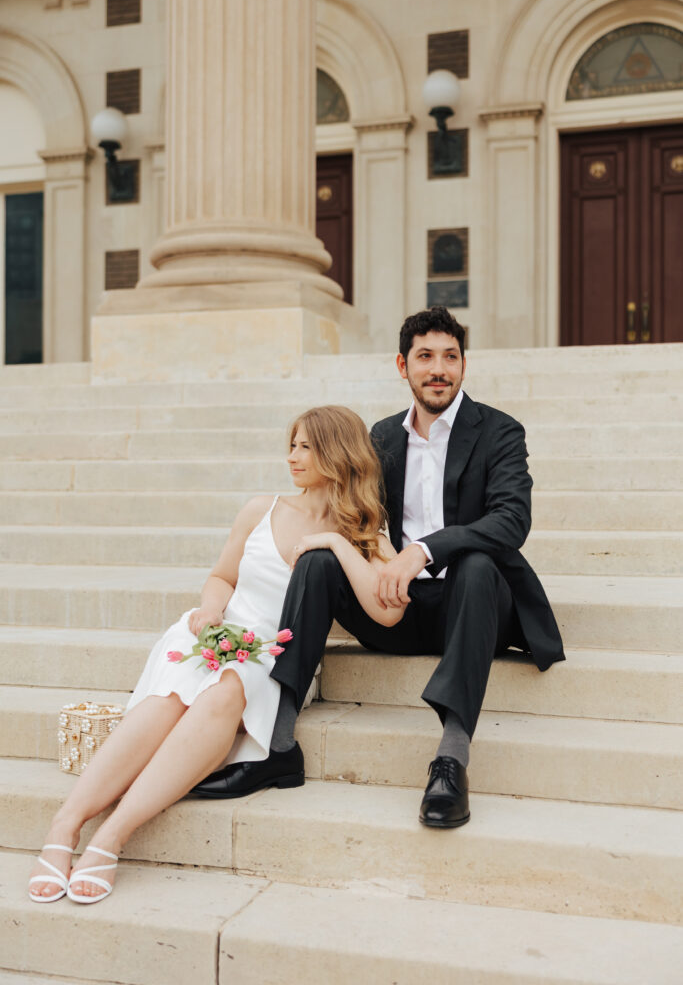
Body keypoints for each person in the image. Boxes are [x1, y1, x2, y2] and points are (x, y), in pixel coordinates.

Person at [193, 307, 565, 829]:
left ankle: (451, 762)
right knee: (321, 558)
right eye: (425, 357)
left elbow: (510, 521)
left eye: (450, 357)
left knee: (479, 562)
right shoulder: (382, 437)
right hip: (399, 605)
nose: (439, 369)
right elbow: (352, 509)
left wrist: (425, 550)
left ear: (464, 365)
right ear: (402, 365)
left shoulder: (499, 432)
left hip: (479, 606)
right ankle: (278, 748)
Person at [28, 406, 405, 905]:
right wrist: (208, 613)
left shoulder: (365, 529)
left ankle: (110, 837)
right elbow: (222, 577)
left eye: (306, 447)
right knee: (168, 700)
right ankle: (65, 824)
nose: (292, 457)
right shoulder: (260, 510)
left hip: (273, 656)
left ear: (337, 452)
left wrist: (336, 540)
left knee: (227, 691)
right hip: (218, 632)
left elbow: (389, 614)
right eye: (291, 444)